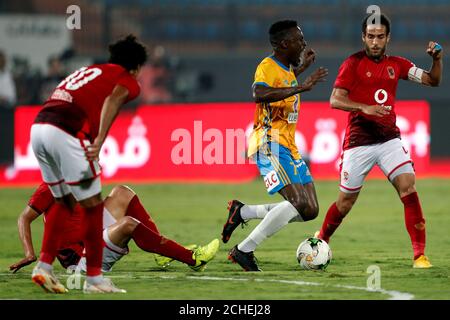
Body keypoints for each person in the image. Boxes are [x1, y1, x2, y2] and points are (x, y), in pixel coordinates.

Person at [314, 13, 443, 268]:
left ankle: (419, 255)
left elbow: (433, 80)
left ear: (388, 38)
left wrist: (437, 60)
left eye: (380, 37)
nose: (375, 42)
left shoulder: (398, 64)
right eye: (370, 37)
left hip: (388, 140)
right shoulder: (352, 64)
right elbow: (335, 99)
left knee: (408, 186)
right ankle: (321, 239)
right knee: (345, 202)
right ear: (363, 37)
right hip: (358, 141)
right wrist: (365, 108)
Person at [29, 35, 148, 294]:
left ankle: (43, 267)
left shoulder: (90, 71)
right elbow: (114, 99)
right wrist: (100, 139)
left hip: (38, 129)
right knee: (93, 206)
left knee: (64, 200)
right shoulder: (128, 80)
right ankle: (95, 279)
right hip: (66, 132)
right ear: (136, 66)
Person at [221, 20, 328, 271]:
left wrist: (301, 70)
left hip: (289, 146)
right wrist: (302, 85)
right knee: (297, 202)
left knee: (310, 209)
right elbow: (259, 93)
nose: (303, 43)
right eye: (299, 40)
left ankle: (243, 212)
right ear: (284, 44)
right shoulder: (266, 66)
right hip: (269, 142)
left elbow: (282, 84)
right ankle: (243, 250)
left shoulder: (286, 69)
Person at [9, 183, 219, 278]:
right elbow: (24, 218)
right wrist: (29, 253)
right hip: (80, 259)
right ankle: (193, 259)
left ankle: (160, 252)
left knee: (122, 192)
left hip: (89, 237)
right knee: (128, 223)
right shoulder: (50, 187)